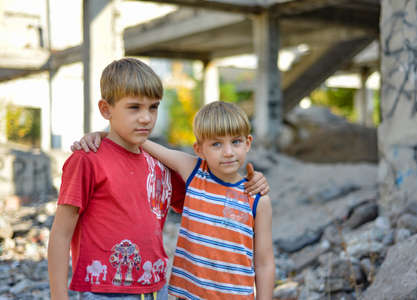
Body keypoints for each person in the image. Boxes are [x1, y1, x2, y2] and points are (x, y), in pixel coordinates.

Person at [49, 58, 269, 300]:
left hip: (156, 289)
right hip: (106, 293)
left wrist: (255, 182)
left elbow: (215, 195)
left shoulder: (160, 165)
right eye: (134, 107)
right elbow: (60, 233)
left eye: (153, 107)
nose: (146, 118)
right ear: (105, 109)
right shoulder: (87, 160)